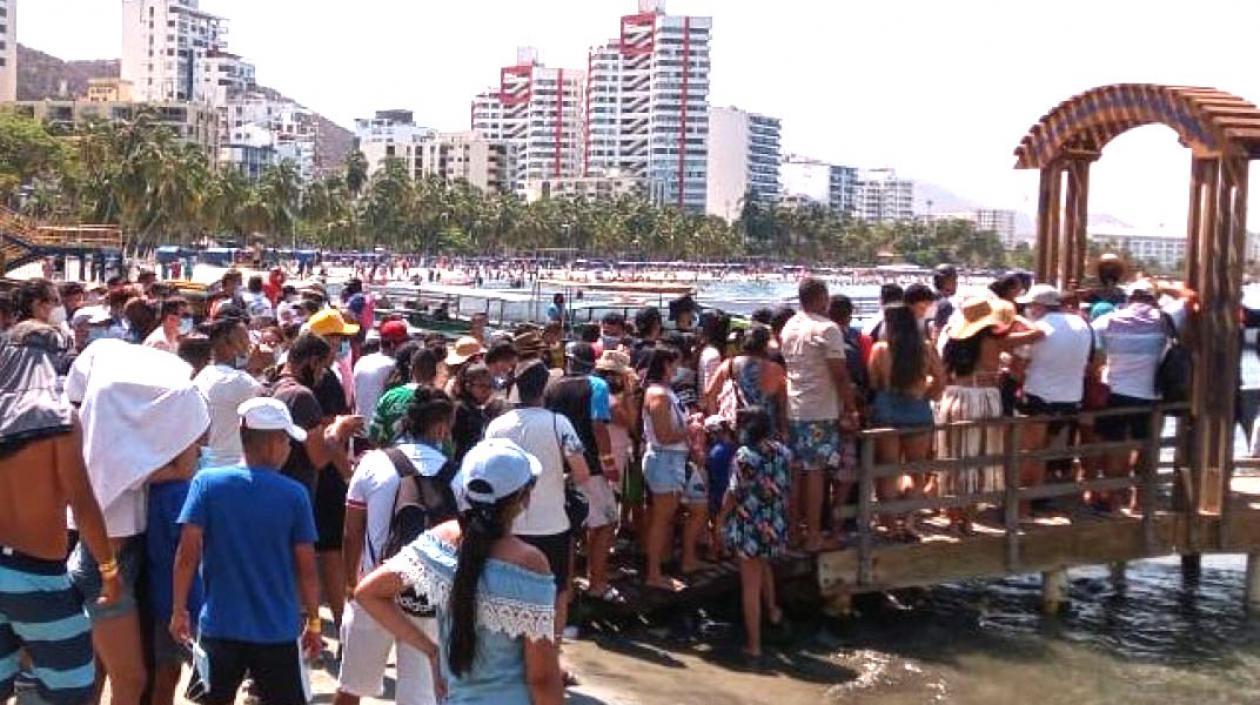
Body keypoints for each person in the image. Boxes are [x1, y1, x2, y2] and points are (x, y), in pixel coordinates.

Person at [355, 439, 562, 705]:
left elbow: (368, 593)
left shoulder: (440, 541)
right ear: (524, 498)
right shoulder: (530, 563)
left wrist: (431, 652)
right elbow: (542, 677)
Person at [65, 341, 210, 705]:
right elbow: (186, 466)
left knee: (101, 668)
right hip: (111, 564)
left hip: (117, 556)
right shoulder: (111, 467)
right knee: (131, 678)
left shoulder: (94, 461)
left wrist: (129, 468)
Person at [170, 398, 324, 705]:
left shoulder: (206, 483)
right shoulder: (295, 495)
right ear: (272, 444)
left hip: (220, 627)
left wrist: (178, 611)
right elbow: (306, 569)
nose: (289, 449)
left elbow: (187, 556)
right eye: (286, 441)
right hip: (278, 631)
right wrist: (315, 623)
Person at [0, 328, 119, 705]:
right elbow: (82, 503)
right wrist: (109, 570)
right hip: (38, 578)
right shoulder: (60, 420)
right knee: (71, 693)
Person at [337, 388, 454, 705]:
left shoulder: (373, 463)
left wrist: (352, 584)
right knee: (421, 696)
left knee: (351, 689)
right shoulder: (451, 471)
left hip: (373, 589)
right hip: (427, 597)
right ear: (441, 427)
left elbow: (351, 531)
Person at [485, 360, 594, 633]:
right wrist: (560, 479)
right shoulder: (560, 424)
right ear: (545, 389)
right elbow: (582, 473)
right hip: (552, 524)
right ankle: (552, 658)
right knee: (556, 593)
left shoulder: (496, 426)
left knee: (507, 593)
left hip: (508, 525)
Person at [936, 297, 1042, 530]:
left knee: (956, 457)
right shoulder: (996, 341)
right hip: (982, 397)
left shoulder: (952, 341)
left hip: (954, 396)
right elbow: (1037, 333)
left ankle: (953, 517)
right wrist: (1016, 317)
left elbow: (943, 374)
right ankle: (967, 519)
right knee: (980, 456)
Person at [780, 278, 858, 552]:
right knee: (815, 472)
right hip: (820, 411)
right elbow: (839, 374)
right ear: (822, 297)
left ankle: (792, 532)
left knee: (796, 472)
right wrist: (851, 408)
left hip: (794, 408)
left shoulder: (790, 326)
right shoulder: (828, 329)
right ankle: (813, 535)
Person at [1090, 279, 1180, 512]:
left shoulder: (1106, 320)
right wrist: (1165, 286)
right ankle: (1139, 503)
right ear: (1154, 298)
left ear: (1129, 298)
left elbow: (1097, 358)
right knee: (1148, 449)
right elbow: (1191, 299)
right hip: (1152, 395)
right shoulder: (1165, 319)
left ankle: (1113, 501)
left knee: (1115, 448)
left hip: (1116, 392)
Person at [544, 342, 619, 596]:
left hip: (559, 466)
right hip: (590, 467)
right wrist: (608, 462)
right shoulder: (597, 385)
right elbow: (598, 426)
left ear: (569, 361)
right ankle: (597, 583)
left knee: (569, 529)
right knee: (604, 523)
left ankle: (568, 588)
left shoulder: (552, 387)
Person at [716, 406, 790, 660]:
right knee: (764, 566)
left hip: (750, 525)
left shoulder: (744, 456)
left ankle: (754, 645)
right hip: (774, 523)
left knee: (750, 587)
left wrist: (720, 520)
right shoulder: (782, 452)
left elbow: (734, 493)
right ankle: (773, 611)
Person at [867, 303, 944, 539]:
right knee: (915, 469)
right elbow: (941, 380)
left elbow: (873, 382)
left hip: (887, 411)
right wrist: (926, 396)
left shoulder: (880, 349)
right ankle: (909, 521)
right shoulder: (926, 348)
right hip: (917, 411)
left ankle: (890, 525)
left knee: (887, 470)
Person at [1015, 284, 1093, 505]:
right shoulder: (1081, 324)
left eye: (1030, 305)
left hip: (1039, 395)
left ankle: (1022, 506)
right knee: (1044, 450)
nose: (1029, 309)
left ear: (1039, 306)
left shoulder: (1038, 327)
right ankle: (1037, 495)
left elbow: (1018, 367)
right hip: (1070, 398)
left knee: (1029, 451)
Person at [641, 346, 691, 591]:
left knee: (662, 518)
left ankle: (656, 568)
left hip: (669, 459)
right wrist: (690, 430)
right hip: (665, 459)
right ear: (666, 365)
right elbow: (664, 435)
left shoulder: (664, 392)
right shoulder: (659, 395)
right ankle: (653, 573)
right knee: (661, 520)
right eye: (674, 364)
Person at [194, 311, 265, 469]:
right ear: (227, 343)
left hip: (206, 464)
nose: (250, 345)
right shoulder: (237, 381)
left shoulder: (205, 373)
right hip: (229, 466)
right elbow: (269, 403)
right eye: (245, 338)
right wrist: (262, 367)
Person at [370, 346, 440, 447]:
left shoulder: (389, 397)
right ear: (435, 372)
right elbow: (447, 445)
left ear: (411, 369)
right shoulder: (441, 400)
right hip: (433, 460)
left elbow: (374, 436)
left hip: (396, 459)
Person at [451, 364, 505, 467]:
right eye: (481, 386)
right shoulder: (460, 409)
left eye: (490, 386)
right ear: (468, 386)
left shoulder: (482, 408)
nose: (486, 391)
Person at [355, 320, 410, 419]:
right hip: (378, 430)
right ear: (393, 344)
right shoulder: (394, 366)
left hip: (357, 427)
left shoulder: (362, 361)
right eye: (404, 343)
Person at [931, 264, 959, 344]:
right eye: (954, 280)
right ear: (947, 281)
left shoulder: (928, 299)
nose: (956, 283)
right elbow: (937, 335)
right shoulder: (945, 305)